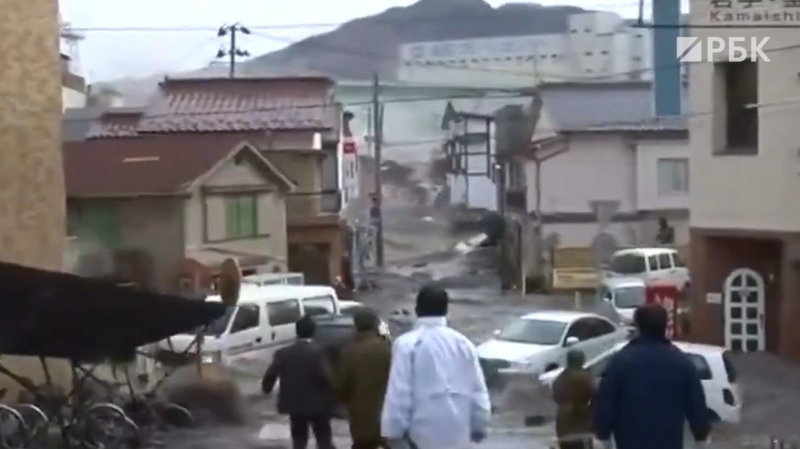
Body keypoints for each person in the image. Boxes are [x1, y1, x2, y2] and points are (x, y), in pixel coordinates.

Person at [380, 285, 491, 449]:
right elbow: (478, 391)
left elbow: (399, 393)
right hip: (458, 434)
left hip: (419, 437)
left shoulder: (407, 345)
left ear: (417, 310)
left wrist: (393, 432)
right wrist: (480, 425)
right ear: (446, 310)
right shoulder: (464, 344)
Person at [593, 304, 710, 449]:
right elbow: (697, 405)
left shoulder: (620, 362)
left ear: (637, 327)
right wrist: (701, 436)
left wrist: (602, 435)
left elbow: (606, 403)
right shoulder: (682, 362)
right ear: (665, 326)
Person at [261, 315, 336, 449]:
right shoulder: (319, 352)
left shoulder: (283, 353)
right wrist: (335, 396)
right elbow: (327, 377)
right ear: (313, 331)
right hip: (318, 404)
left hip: (294, 405)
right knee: (323, 437)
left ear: (297, 331)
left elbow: (270, 375)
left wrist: (266, 389)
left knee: (298, 439)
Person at [335, 308, 392, 449]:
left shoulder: (349, 351)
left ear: (356, 325)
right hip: (387, 412)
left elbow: (341, 386)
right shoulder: (386, 348)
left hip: (360, 415)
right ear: (375, 324)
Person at [553, 350, 595, 449]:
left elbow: (555, 397)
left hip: (563, 423)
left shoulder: (560, 378)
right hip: (581, 421)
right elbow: (595, 394)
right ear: (581, 361)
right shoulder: (585, 377)